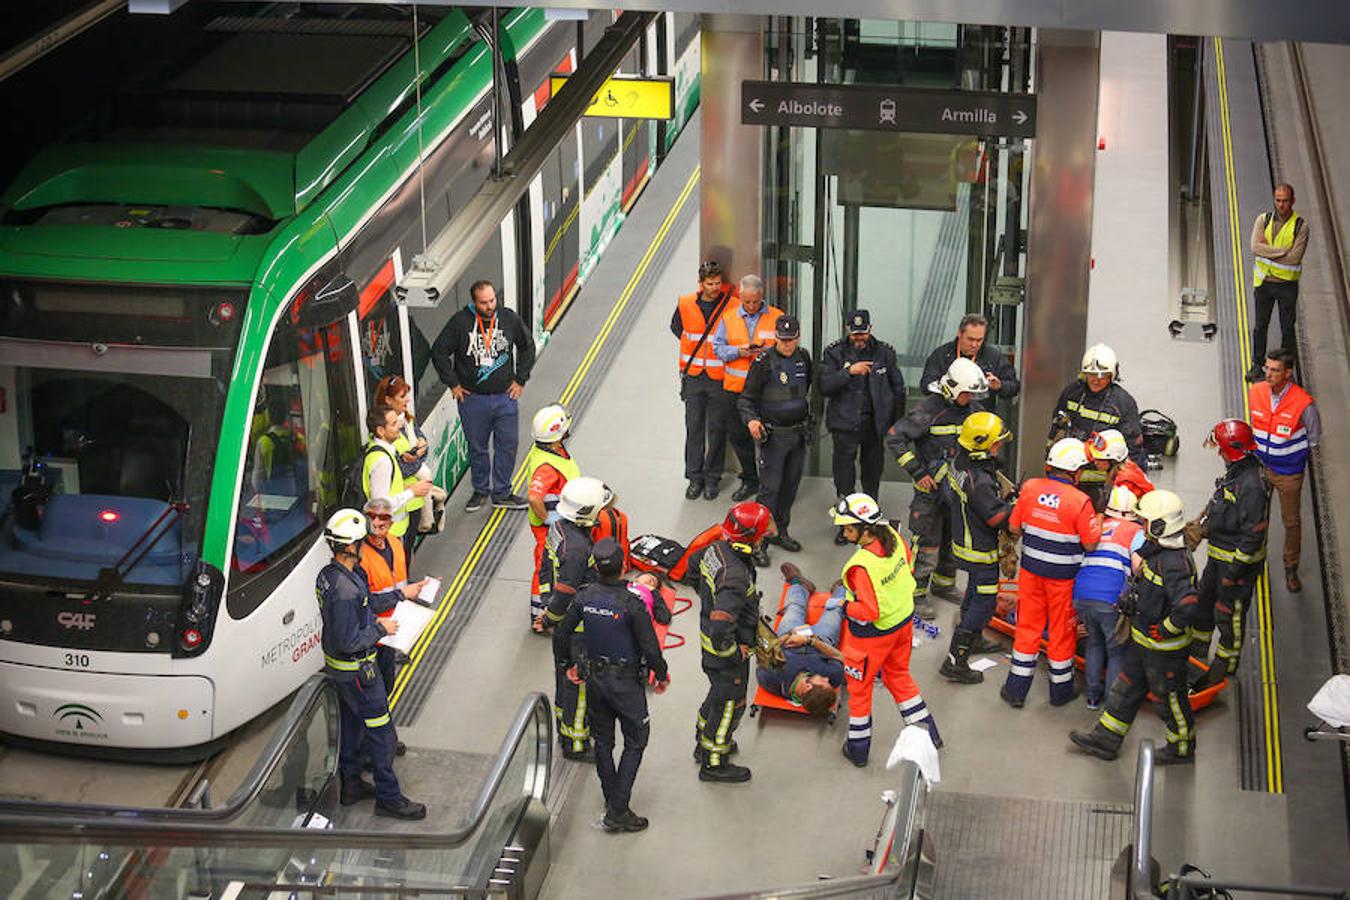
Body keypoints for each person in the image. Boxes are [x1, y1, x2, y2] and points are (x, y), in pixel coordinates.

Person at [1070, 490, 1201, 766]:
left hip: (1164, 650)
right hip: (1142, 644)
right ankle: (1106, 740)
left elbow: (1188, 606)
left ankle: (1181, 748)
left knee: (1170, 700)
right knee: (1125, 691)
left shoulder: (1175, 563)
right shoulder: (1157, 553)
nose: (1141, 527)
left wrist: (1165, 629)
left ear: (1159, 526)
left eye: (1145, 522)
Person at [553, 539, 670, 833]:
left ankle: (612, 800)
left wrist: (567, 666)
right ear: (624, 566)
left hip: (595, 681)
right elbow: (650, 646)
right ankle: (618, 808)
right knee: (636, 741)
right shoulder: (631, 603)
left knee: (603, 743)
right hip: (626, 685)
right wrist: (661, 673)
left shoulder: (584, 597)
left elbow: (562, 634)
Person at [316, 509, 426, 819]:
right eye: (362, 541)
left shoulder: (331, 576)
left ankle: (351, 785)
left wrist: (400, 596)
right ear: (351, 547)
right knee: (382, 734)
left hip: (340, 672)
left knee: (351, 727)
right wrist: (381, 629)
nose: (367, 544)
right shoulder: (346, 591)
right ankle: (389, 797)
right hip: (360, 674)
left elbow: (368, 603)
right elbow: (349, 640)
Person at [832, 493, 942, 766]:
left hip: (871, 638)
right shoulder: (893, 536)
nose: (844, 533)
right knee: (900, 678)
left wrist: (845, 606)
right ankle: (929, 736)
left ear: (866, 530)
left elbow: (869, 612)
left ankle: (857, 750)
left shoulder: (861, 566)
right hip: (902, 624)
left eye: (848, 528)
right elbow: (909, 568)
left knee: (859, 691)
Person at [1000, 438, 1101, 709]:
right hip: (1064, 581)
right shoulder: (1081, 501)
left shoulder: (1030, 488)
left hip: (1031, 574)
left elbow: (1015, 528)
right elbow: (1091, 544)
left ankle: (1015, 691)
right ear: (1075, 471)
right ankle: (1060, 693)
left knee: (1027, 629)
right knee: (1061, 633)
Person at [884, 357, 989, 617]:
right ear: (953, 389)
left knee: (951, 539)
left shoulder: (974, 411)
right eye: (966, 393)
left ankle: (944, 585)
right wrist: (918, 473)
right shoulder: (929, 410)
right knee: (927, 543)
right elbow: (895, 438)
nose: (970, 398)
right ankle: (917, 594)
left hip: (957, 491)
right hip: (930, 492)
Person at [431, 280, 535, 513]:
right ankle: (480, 490)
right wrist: (454, 384)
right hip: (472, 399)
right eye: (484, 303)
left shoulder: (508, 318)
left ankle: (502, 492)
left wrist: (521, 379)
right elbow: (438, 352)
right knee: (477, 447)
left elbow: (527, 346)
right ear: (474, 302)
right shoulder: (460, 323)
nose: (490, 306)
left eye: (492, 300)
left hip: (505, 396)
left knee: (507, 444)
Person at [691, 501, 775, 782]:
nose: (765, 538)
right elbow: (720, 627)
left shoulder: (716, 549)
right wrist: (733, 653)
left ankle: (703, 738)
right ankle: (714, 760)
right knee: (730, 704)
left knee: (717, 692)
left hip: (711, 649)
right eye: (762, 535)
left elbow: (692, 569)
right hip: (725, 654)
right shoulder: (735, 576)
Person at [1189, 420, 1270, 693]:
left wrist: (1234, 573)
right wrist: (1205, 528)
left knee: (1229, 614)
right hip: (1218, 558)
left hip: (1236, 566)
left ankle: (1226, 663)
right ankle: (1198, 648)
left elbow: (1253, 534)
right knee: (1204, 603)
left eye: (1220, 448)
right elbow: (1225, 510)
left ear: (1230, 450)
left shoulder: (1252, 485)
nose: (1219, 453)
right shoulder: (1237, 472)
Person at [938, 411, 1013, 685]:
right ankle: (955, 660)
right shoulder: (979, 482)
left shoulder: (960, 462)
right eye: (996, 443)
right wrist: (1017, 508)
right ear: (983, 445)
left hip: (964, 542)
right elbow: (997, 518)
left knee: (973, 592)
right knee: (984, 601)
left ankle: (975, 639)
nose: (999, 446)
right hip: (980, 550)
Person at [819, 309, 906, 542]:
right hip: (844, 424)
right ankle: (846, 523)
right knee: (844, 475)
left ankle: (870, 521)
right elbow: (824, 386)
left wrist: (896, 424)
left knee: (872, 472)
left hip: (874, 425)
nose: (859, 338)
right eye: (855, 334)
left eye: (863, 333)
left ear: (870, 329)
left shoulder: (884, 352)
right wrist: (848, 372)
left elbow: (898, 389)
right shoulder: (834, 352)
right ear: (848, 330)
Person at [537, 477, 608, 761]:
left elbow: (545, 571)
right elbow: (567, 590)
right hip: (577, 628)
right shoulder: (578, 549)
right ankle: (576, 743)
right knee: (578, 681)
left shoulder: (557, 529)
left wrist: (547, 608)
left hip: (564, 626)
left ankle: (565, 726)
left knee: (563, 678)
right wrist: (555, 616)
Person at [738, 315, 813, 561]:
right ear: (775, 337)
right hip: (773, 438)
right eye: (782, 340)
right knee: (769, 491)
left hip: (797, 435)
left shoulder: (804, 358)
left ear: (798, 338)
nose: (787, 345)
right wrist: (751, 420)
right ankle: (758, 542)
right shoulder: (763, 362)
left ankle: (780, 531)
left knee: (790, 487)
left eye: (791, 340)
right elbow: (746, 399)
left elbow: (806, 391)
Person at [1248, 347, 1320, 592]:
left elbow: (1314, 438)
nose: (1268, 374)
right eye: (1267, 368)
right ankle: (1255, 562)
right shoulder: (1255, 392)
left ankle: (1291, 568)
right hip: (1260, 469)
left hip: (1288, 474)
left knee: (1291, 522)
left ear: (1288, 373)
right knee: (1258, 518)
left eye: (1275, 370)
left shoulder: (1303, 404)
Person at [710, 274, 783, 502]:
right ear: (740, 297)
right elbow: (718, 349)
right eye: (747, 301)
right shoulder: (729, 318)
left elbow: (786, 349)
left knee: (770, 438)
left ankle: (771, 483)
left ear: (762, 297)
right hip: (735, 390)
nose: (751, 306)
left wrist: (767, 355)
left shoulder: (777, 317)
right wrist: (739, 352)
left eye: (755, 301)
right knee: (739, 437)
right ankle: (750, 479)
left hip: (766, 391)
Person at [1072, 486, 1145, 709]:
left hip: (1082, 593)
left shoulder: (1097, 523)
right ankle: (1112, 705)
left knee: (1094, 643)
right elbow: (1137, 566)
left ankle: (1093, 697)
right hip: (1111, 598)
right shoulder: (1135, 530)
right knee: (1116, 650)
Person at [672, 260, 738, 500]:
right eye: (710, 283)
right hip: (693, 377)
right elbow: (676, 327)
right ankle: (694, 477)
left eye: (718, 283)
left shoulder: (733, 305)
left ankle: (712, 479)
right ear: (701, 283)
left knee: (717, 429)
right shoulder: (686, 304)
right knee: (694, 428)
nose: (714, 287)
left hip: (719, 377)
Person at [755, 562, 846, 717]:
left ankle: (799, 584)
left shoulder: (771, 678)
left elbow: (765, 650)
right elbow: (839, 656)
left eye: (823, 681)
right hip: (820, 640)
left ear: (808, 687)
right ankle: (841, 589)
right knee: (835, 611)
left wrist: (787, 636)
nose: (826, 678)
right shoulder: (832, 677)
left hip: (788, 637)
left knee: (794, 608)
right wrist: (810, 641)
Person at [1246, 184, 1309, 382]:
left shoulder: (1300, 226)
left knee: (1287, 329)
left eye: (1285, 200)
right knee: (1260, 327)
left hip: (1286, 286)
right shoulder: (1263, 220)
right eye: (1278, 200)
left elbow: (1295, 258)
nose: (1281, 204)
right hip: (1264, 283)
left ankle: (1286, 371)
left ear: (1293, 201)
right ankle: (1258, 365)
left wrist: (1269, 250)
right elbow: (1255, 248)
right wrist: (1282, 250)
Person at [1048, 344, 1145, 467]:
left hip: (1104, 475)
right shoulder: (1072, 393)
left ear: (1112, 375)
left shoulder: (1124, 402)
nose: (1095, 380)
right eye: (1091, 374)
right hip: (1071, 470)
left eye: (1101, 375)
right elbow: (1056, 428)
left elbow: (1132, 448)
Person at [525, 404, 580, 621]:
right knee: (544, 566)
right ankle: (539, 614)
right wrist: (548, 518)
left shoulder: (550, 450)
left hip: (558, 520)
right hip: (549, 527)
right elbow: (534, 497)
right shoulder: (546, 466)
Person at [375, 374, 448, 536]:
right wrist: (415, 459)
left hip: (414, 503)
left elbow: (421, 449)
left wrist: (421, 448)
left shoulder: (407, 418)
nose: (407, 400)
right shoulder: (385, 434)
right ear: (388, 400)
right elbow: (398, 468)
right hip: (402, 507)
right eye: (402, 396)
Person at [362, 405, 434, 561]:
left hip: (394, 531)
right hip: (390, 534)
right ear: (381, 431)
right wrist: (412, 492)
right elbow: (380, 506)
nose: (400, 426)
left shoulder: (382, 451)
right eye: (394, 424)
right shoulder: (382, 461)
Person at [919, 312, 1020, 400]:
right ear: (960, 333)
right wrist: (947, 388)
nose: (974, 345)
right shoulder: (941, 354)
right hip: (946, 414)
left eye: (979, 340)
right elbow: (926, 385)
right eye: (970, 339)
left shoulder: (993, 356)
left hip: (980, 416)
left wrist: (1000, 386)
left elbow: (1015, 387)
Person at [1080, 428, 1154, 513]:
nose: (1095, 462)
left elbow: (1119, 511)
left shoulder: (1123, 482)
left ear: (1113, 460)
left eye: (1100, 459)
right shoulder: (1123, 466)